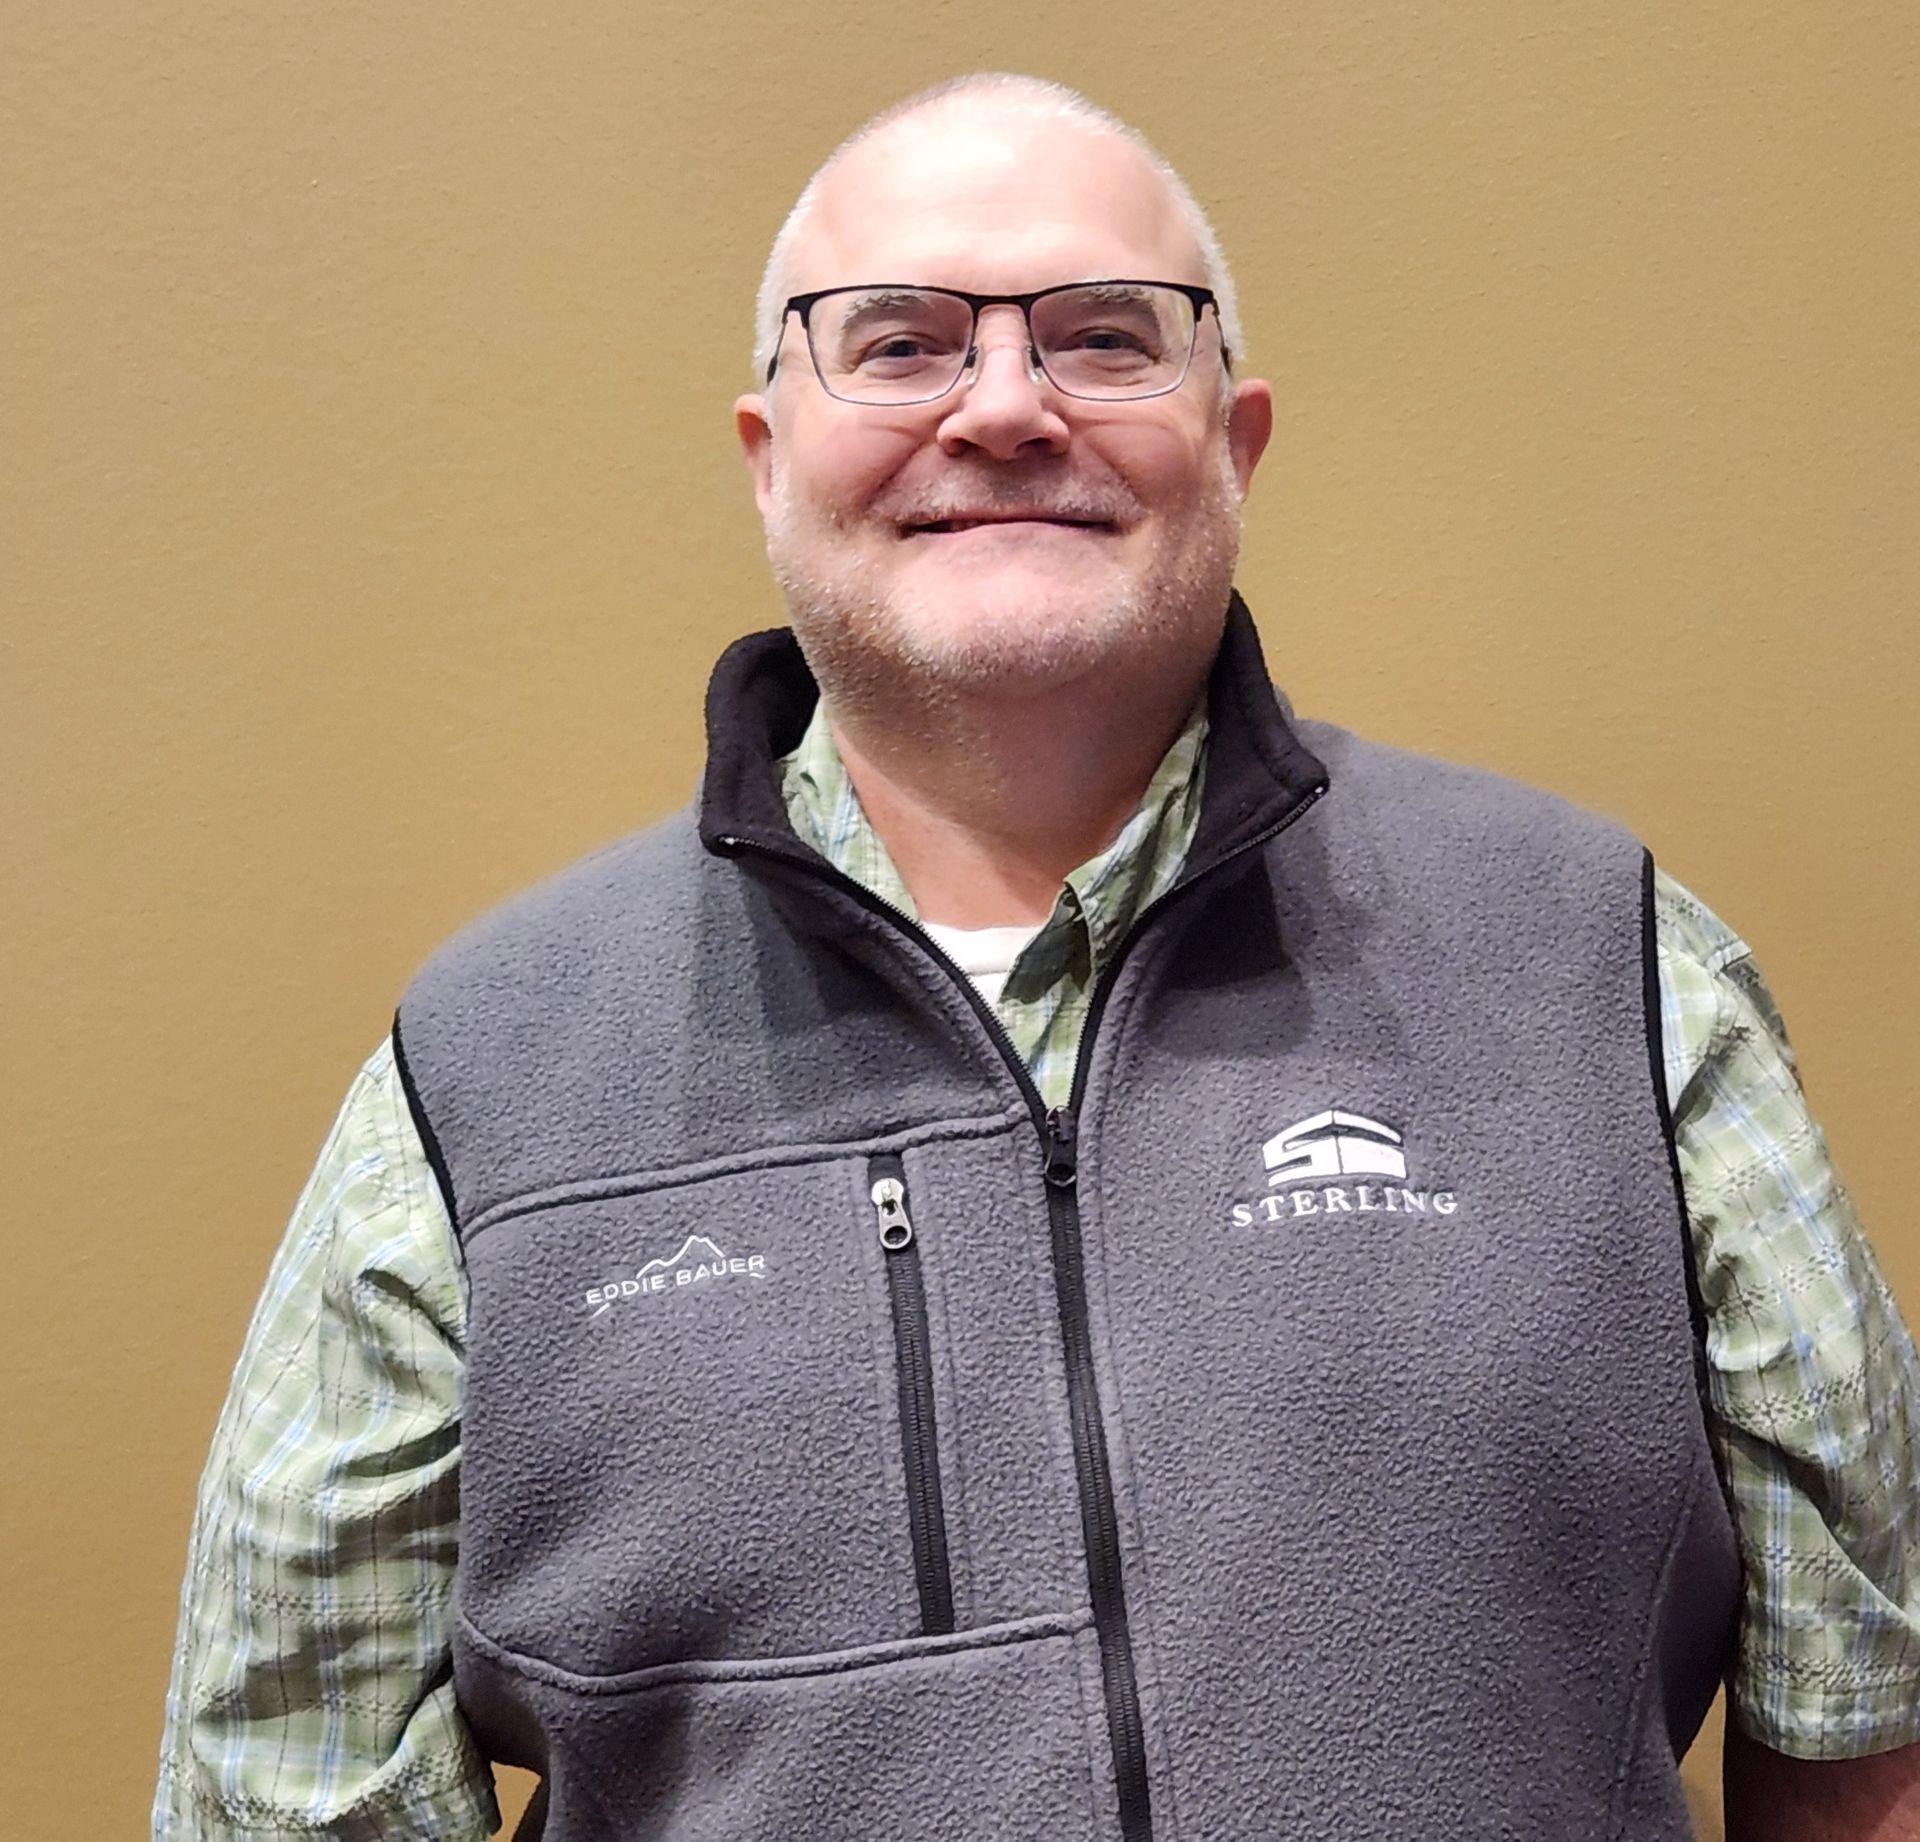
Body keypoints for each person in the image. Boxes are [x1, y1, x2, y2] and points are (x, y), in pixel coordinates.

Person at [156, 72, 1920, 1842]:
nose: (1004, 407)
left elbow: (1859, 1728)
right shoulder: (481, 1081)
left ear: (1235, 441)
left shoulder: (1607, 969)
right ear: (771, 455)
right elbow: (284, 1804)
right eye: (901, 343)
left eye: (1101, 337)